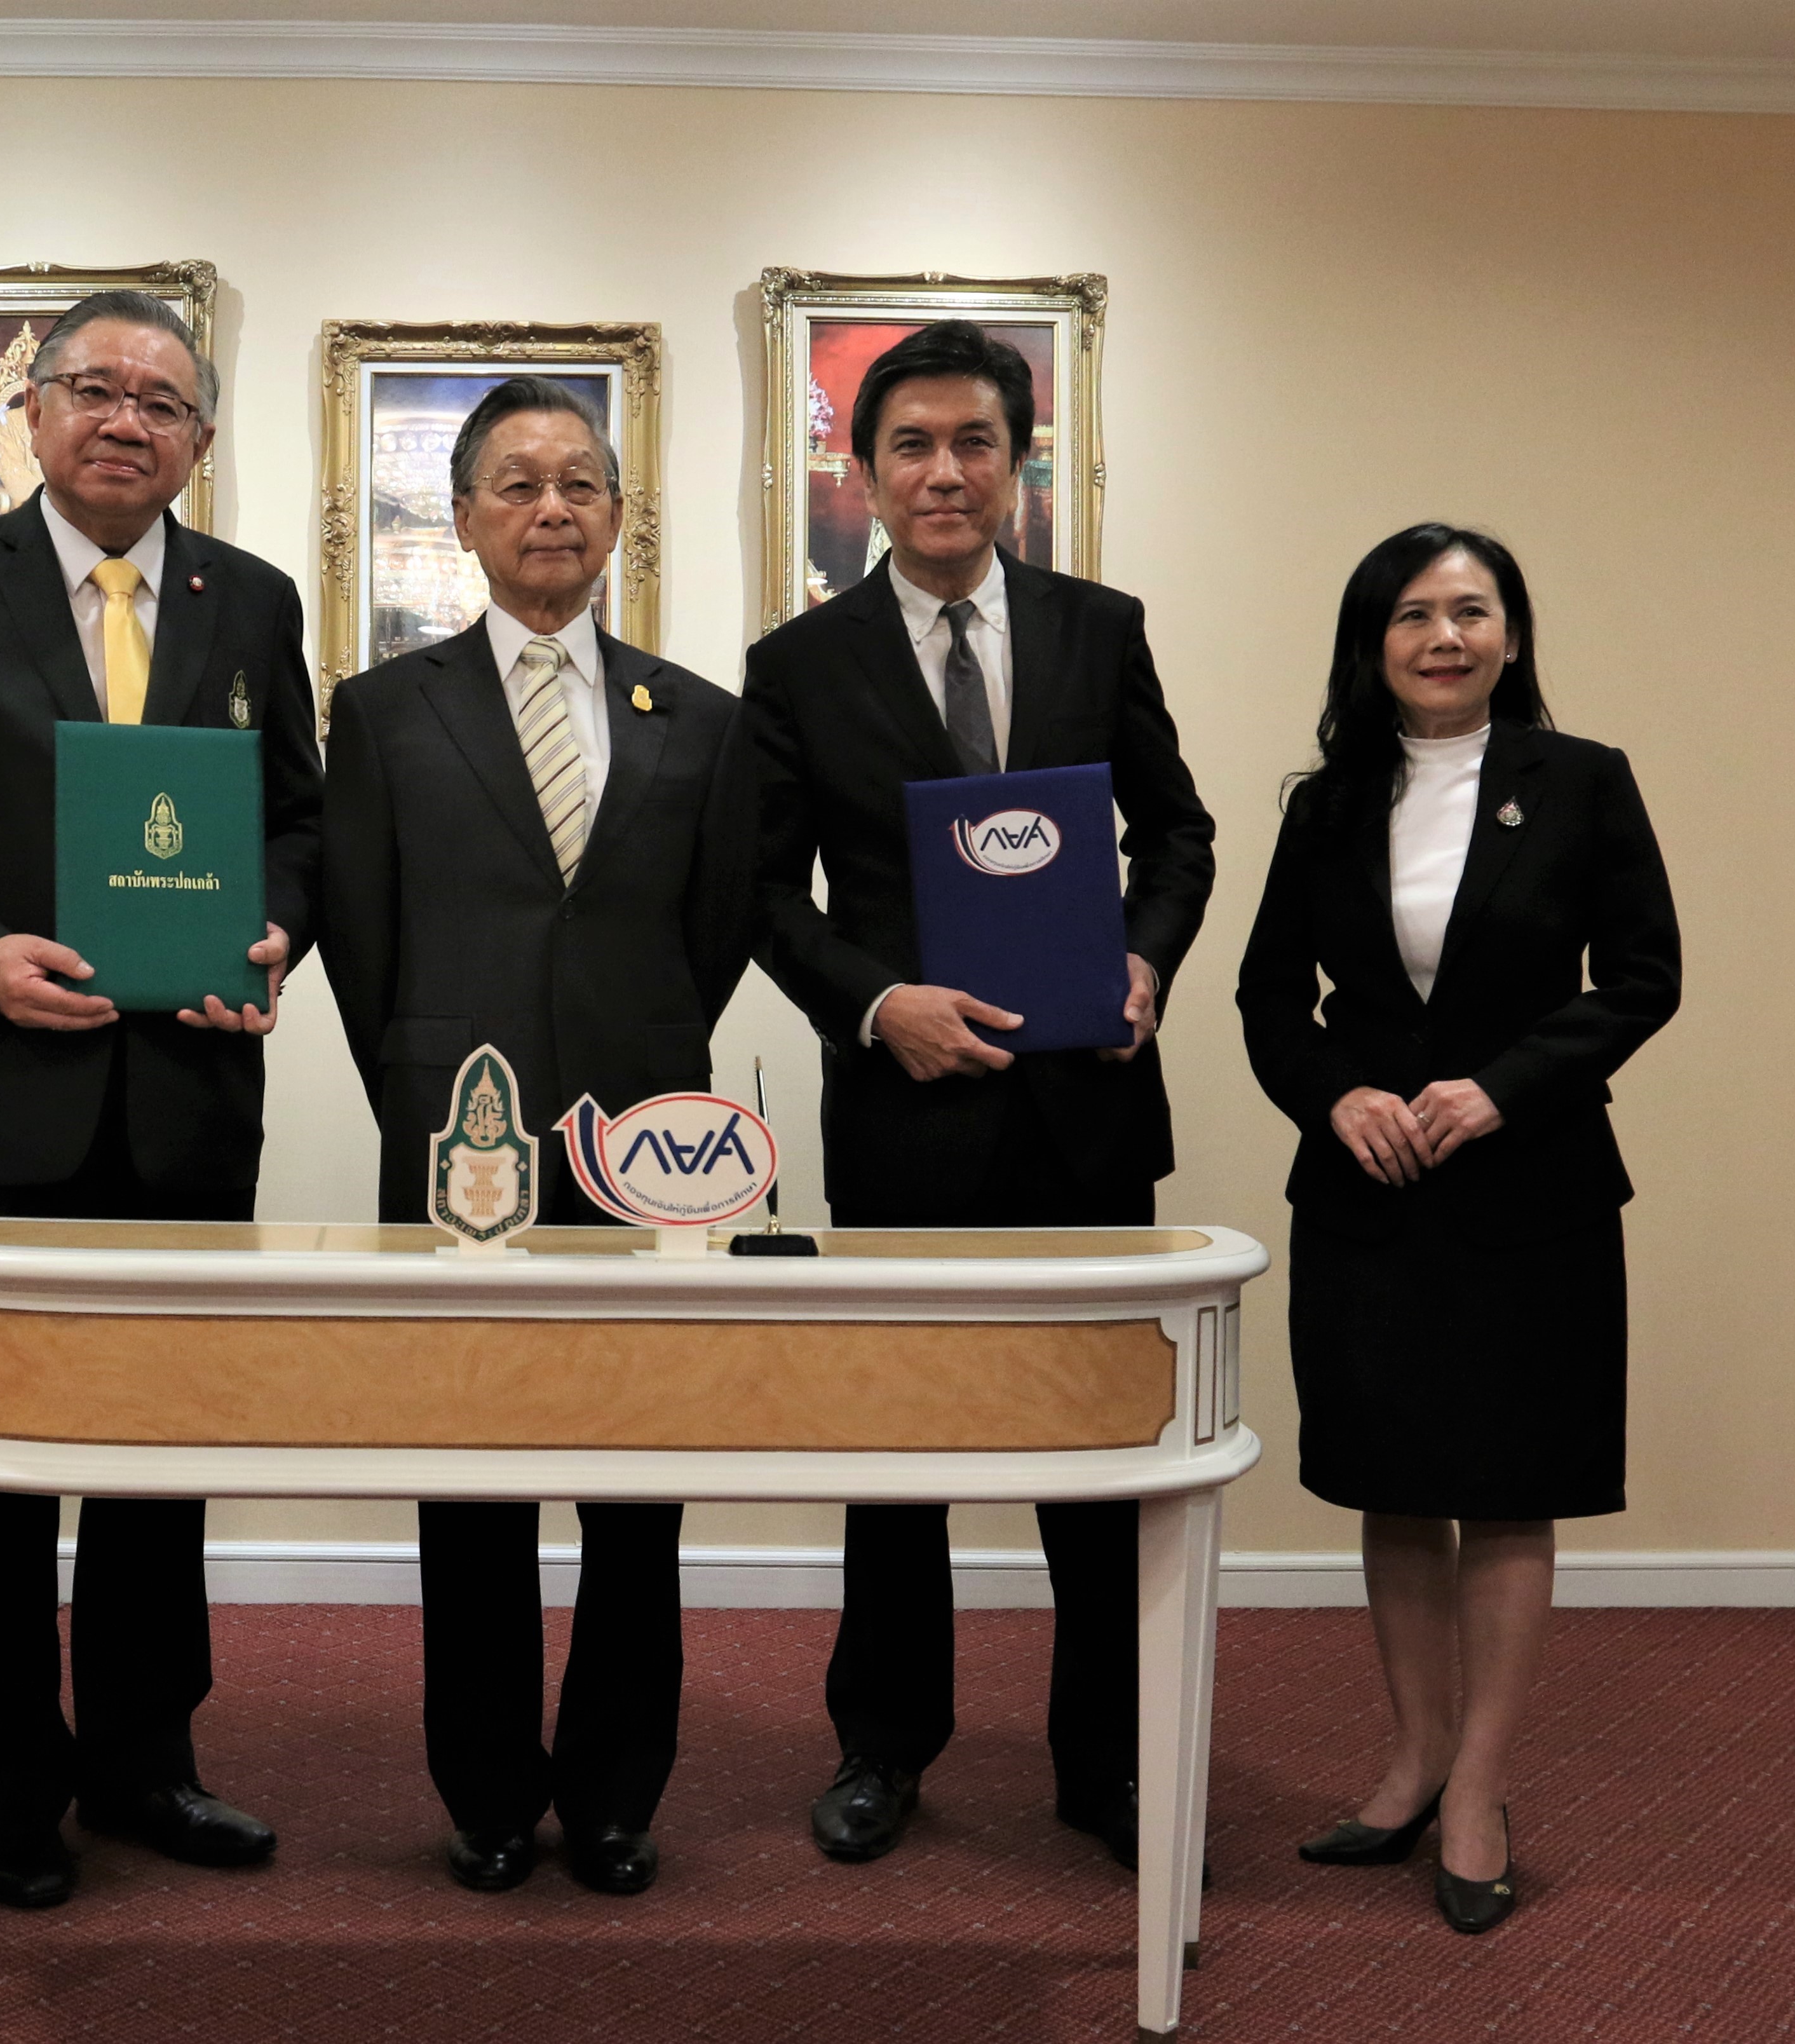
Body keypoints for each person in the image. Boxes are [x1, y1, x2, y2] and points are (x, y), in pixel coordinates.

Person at [0, 289, 320, 1909]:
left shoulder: (253, 600)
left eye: (162, 402)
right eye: (95, 391)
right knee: (5, 1465)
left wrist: (277, 926)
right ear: (29, 416)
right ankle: (3, 1790)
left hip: (185, 1094)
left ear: (201, 438)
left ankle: (146, 1763)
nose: (127, 421)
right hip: (6, 1089)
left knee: (158, 1459)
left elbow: (300, 824)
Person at [739, 318, 1215, 1870]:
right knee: (902, 1463)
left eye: (975, 446)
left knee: (1099, 1463)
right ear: (863, 475)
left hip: (1086, 1107)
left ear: (1020, 465)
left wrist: (1143, 963)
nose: (945, 474)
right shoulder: (797, 665)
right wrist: (879, 1004)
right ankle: (884, 1746)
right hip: (905, 1119)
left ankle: (1109, 1764)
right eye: (911, 448)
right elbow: (763, 895)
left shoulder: (1099, 627)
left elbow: (1182, 838)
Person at [318, 378, 752, 1898]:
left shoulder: (698, 718)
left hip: (653, 1153)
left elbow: (712, 938)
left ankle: (621, 1791)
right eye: (516, 483)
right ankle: (491, 1791)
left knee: (642, 1482)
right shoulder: (381, 711)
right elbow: (361, 949)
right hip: (461, 1149)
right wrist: (429, 1094)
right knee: (475, 1477)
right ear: (463, 520)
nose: (551, 506)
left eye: (580, 481)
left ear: (622, 516)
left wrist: (633, 1067)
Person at [1236, 524, 1677, 1933]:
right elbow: (1264, 1004)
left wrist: (1501, 1091)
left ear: (1510, 633)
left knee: (1507, 1485)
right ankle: (1412, 1760)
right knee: (1394, 1483)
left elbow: (1644, 979)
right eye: (1416, 614)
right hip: (1369, 1194)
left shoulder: (1584, 783)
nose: (1446, 636)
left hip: (1529, 1187)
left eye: (1473, 612)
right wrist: (1336, 1096)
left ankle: (1480, 1783)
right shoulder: (1324, 805)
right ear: (1373, 643)